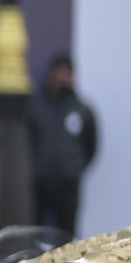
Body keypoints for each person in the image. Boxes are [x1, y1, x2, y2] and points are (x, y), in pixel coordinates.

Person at [28, 54, 98, 236]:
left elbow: (91, 147)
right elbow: (26, 143)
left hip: (68, 184)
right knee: (37, 232)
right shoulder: (35, 108)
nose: (63, 79)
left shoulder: (82, 110)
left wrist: (74, 168)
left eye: (68, 74)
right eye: (60, 73)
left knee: (67, 233)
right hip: (40, 183)